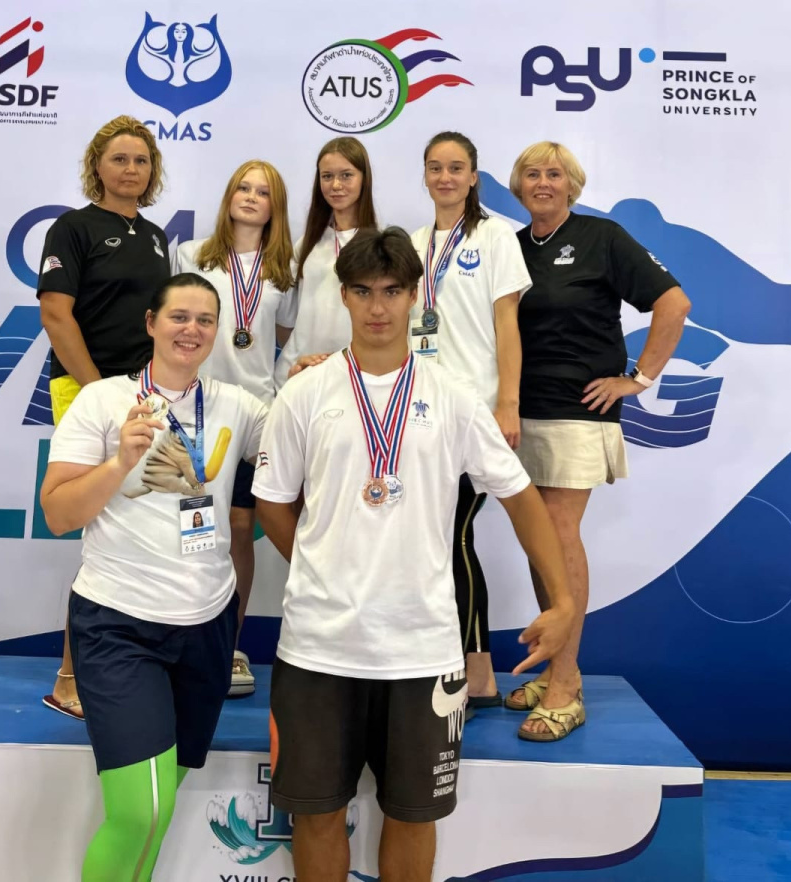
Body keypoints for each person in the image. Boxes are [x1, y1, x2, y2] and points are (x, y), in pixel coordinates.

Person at [253, 228, 574, 881]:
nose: (378, 307)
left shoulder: (452, 395)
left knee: (413, 818)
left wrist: (563, 599)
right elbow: (273, 503)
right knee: (317, 816)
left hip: (423, 650)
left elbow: (520, 497)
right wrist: (318, 562)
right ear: (343, 296)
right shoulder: (304, 394)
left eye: (392, 291)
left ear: (413, 295)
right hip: (318, 649)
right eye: (364, 291)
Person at [40, 273, 267, 880]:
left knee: (160, 806)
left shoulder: (239, 406)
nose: (191, 330)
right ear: (150, 324)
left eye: (205, 320)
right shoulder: (103, 401)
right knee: (141, 812)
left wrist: (318, 377)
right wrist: (120, 460)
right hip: (119, 623)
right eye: (178, 317)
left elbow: (305, 442)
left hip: (207, 626)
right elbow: (58, 513)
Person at [506, 141, 691, 741]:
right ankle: (558, 667)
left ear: (572, 184)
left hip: (579, 411)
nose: (543, 182)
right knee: (539, 543)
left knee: (560, 534)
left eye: (554, 174)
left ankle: (564, 685)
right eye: (532, 174)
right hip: (519, 412)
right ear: (518, 185)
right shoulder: (509, 248)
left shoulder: (602, 237)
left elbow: (673, 303)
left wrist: (639, 378)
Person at [37, 114, 170, 721]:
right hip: (86, 389)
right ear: (98, 166)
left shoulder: (157, 236)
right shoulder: (73, 227)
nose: (131, 169)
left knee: (132, 529)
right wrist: (98, 393)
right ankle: (69, 679)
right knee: (97, 529)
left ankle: (123, 668)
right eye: (119, 158)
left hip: (143, 395)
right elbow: (56, 315)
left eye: (141, 160)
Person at [410, 131, 533, 714]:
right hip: (418, 412)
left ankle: (478, 673)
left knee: (454, 534)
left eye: (456, 167)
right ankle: (457, 665)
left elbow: (507, 325)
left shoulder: (496, 236)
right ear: (425, 175)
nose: (445, 177)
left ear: (473, 176)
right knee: (434, 539)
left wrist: (508, 402)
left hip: (475, 411)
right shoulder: (413, 244)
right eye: (435, 167)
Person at [177, 159, 296, 696]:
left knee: (241, 528)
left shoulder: (284, 269)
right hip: (195, 410)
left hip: (253, 415)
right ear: (229, 196)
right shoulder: (191, 255)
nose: (250, 197)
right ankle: (184, 641)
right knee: (194, 527)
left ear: (275, 207)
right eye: (243, 188)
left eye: (262, 192)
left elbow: (285, 338)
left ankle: (228, 645)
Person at [273, 136, 378, 387]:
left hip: (356, 376)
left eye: (346, 175)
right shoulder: (307, 244)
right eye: (327, 176)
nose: (336, 185)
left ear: (364, 179)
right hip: (300, 372)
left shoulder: (380, 244)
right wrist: (300, 354)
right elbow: (285, 319)